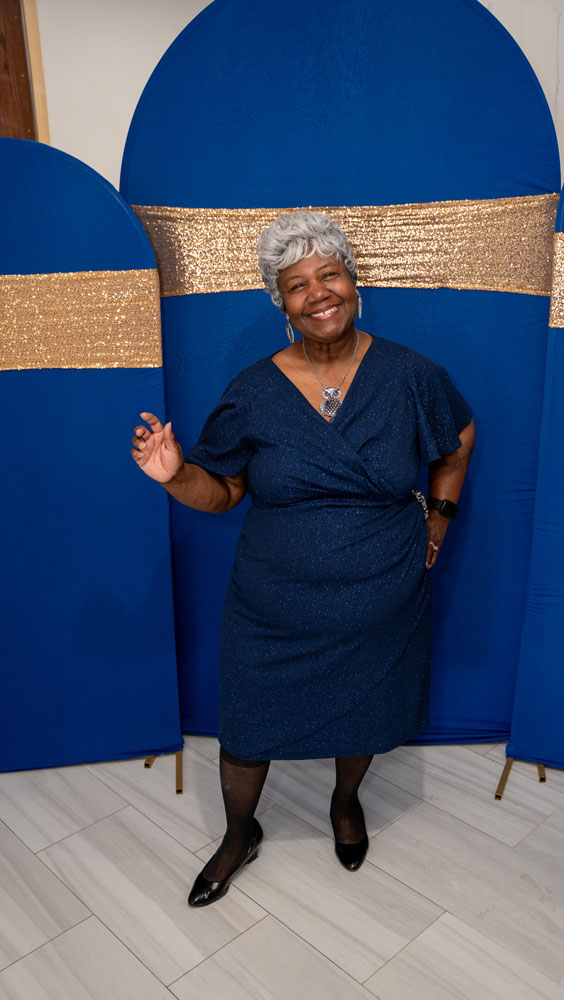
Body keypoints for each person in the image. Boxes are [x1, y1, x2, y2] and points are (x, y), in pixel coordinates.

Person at [130, 210, 474, 907]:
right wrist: (174, 475)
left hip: (380, 596)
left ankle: (344, 804)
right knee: (247, 730)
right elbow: (223, 491)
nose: (317, 293)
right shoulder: (254, 390)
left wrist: (438, 518)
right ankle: (238, 834)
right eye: (296, 284)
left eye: (329, 274)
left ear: (354, 282)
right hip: (272, 606)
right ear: (279, 302)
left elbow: (458, 436)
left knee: (364, 711)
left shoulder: (410, 375)